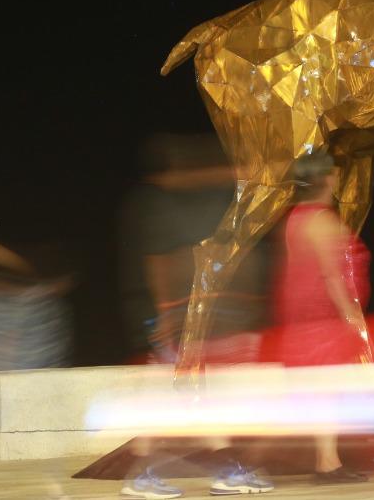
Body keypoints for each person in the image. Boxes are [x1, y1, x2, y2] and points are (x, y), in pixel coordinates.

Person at [116, 135, 274, 499]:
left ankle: (215, 469)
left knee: (183, 398)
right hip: (170, 320)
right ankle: (215, 470)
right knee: (179, 398)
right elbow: (158, 262)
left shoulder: (164, 201)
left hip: (180, 319)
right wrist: (166, 316)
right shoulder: (153, 203)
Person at [271, 152, 370, 486]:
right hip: (323, 319)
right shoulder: (322, 222)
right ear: (327, 179)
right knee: (329, 394)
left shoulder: (296, 218)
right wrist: (353, 319)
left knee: (323, 394)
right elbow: (332, 277)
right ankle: (328, 464)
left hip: (302, 317)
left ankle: (328, 461)